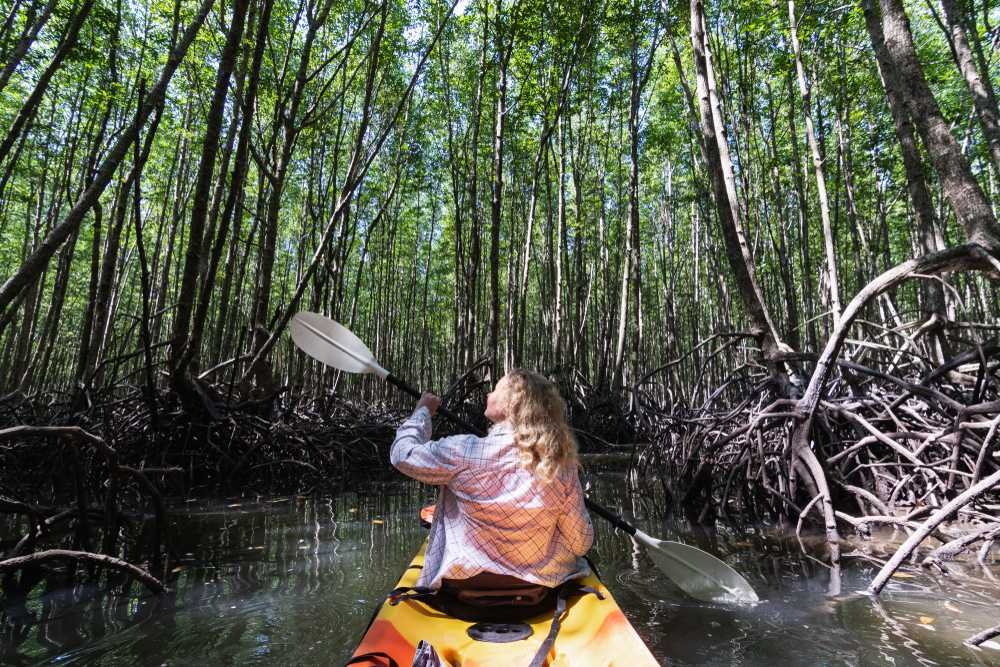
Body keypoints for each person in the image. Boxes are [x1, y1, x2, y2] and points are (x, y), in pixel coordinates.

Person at [390, 368, 594, 602]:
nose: (488, 395)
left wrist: (422, 412)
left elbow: (402, 454)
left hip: (463, 589)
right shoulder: (561, 466)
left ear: (511, 403)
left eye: (495, 389)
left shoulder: (463, 452)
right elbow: (580, 544)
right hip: (538, 589)